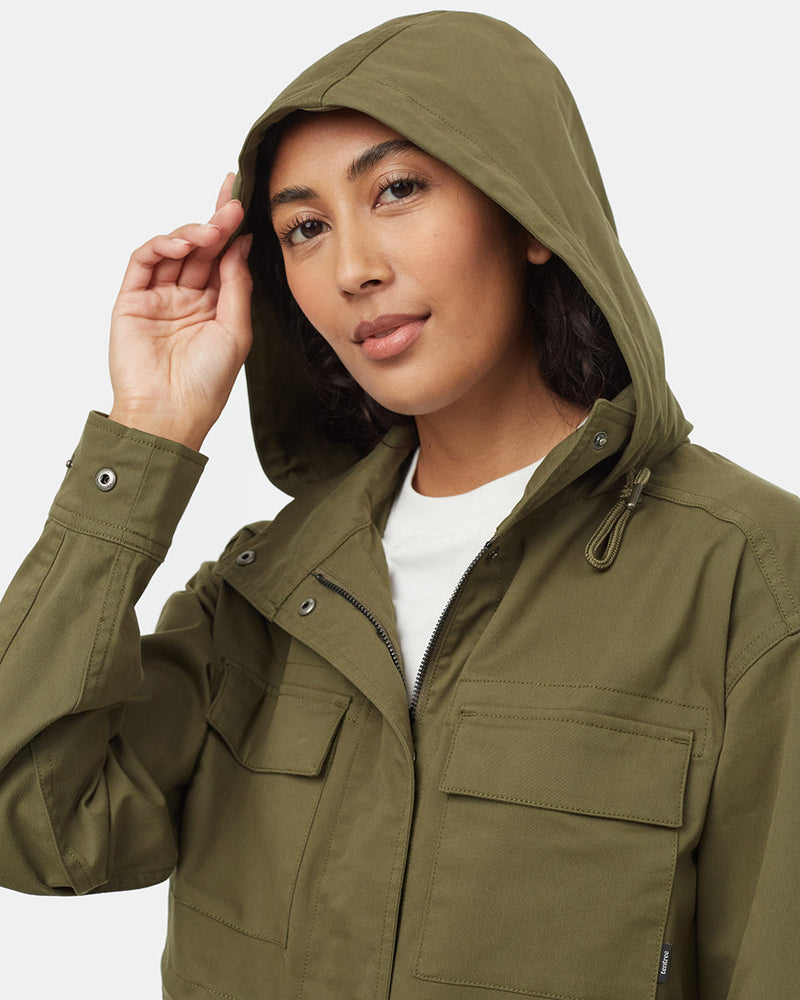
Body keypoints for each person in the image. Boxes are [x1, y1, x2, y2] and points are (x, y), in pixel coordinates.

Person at [0, 9, 798, 999]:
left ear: (529, 212)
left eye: (398, 190)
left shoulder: (747, 577)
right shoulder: (261, 598)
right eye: (304, 228)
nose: (353, 270)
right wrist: (147, 433)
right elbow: (29, 818)